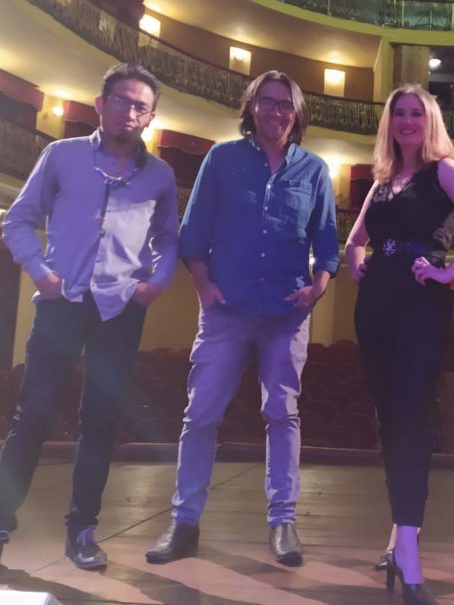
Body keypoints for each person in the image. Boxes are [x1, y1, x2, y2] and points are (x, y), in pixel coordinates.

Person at [0, 63, 179, 587]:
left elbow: (169, 238)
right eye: (121, 100)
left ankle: (82, 531)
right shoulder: (62, 155)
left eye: (141, 106)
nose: (130, 112)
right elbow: (18, 219)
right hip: (61, 303)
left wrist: (157, 283)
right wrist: (39, 270)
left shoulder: (161, 176)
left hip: (119, 309)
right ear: (100, 104)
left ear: (151, 117)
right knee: (31, 419)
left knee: (100, 422)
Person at [146, 71, 339, 567]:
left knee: (282, 414)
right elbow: (194, 232)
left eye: (285, 104)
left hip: (286, 313)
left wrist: (318, 288)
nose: (276, 111)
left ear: (296, 114)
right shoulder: (221, 159)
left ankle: (283, 523)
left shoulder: (314, 170)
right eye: (267, 102)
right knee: (200, 414)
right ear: (252, 107)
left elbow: (326, 242)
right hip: (225, 309)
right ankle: (184, 523)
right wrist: (204, 285)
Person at [345, 84, 454, 605]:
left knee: (410, 415)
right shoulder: (382, 181)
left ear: (429, 120)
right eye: (399, 113)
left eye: (416, 112)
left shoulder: (443, 171)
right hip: (375, 304)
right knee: (389, 418)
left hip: (419, 300)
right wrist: (355, 261)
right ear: (389, 123)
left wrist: (450, 273)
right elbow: (355, 240)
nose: (407, 120)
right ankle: (397, 538)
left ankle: (409, 549)